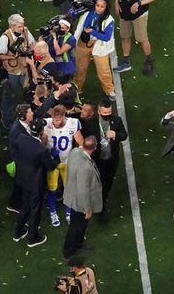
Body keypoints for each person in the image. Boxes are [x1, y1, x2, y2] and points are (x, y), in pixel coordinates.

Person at [13, 118, 59, 247]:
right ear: (41, 132)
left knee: (25, 205)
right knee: (34, 209)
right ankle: (33, 238)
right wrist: (55, 157)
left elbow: (17, 153)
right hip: (35, 183)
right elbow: (50, 166)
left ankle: (18, 232)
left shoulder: (21, 138)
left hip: (22, 178)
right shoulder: (41, 149)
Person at [80, 97, 128, 221]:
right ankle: (98, 206)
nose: (107, 115)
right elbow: (84, 139)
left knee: (108, 181)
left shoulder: (116, 120)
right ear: (99, 112)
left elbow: (124, 135)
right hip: (97, 159)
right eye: (104, 113)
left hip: (112, 158)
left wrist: (116, 135)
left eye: (109, 113)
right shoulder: (90, 123)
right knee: (97, 182)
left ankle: (102, 201)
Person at [114, 0, 157, 74]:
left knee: (142, 38)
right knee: (125, 36)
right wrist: (117, 1)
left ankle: (148, 60)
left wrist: (139, 3)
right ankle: (126, 61)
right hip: (125, 10)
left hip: (139, 14)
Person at [62, 135, 103, 261]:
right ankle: (68, 252)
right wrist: (87, 209)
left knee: (79, 226)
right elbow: (83, 190)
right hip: (79, 202)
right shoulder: (86, 167)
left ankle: (78, 244)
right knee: (76, 227)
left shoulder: (75, 152)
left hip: (72, 195)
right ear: (94, 148)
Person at [43, 104, 85, 226]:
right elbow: (42, 143)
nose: (55, 122)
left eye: (58, 119)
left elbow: (80, 142)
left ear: (64, 116)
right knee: (52, 189)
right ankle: (53, 212)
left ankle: (68, 212)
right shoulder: (47, 124)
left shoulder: (73, 123)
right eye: (54, 119)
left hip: (67, 162)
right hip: (53, 163)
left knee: (69, 189)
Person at [73, 0, 116, 98]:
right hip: (84, 42)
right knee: (80, 67)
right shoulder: (87, 12)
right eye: (97, 5)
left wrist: (93, 31)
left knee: (103, 69)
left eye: (102, 6)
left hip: (99, 45)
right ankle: (77, 88)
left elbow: (106, 37)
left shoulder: (109, 20)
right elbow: (75, 18)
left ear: (106, 7)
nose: (99, 8)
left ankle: (109, 89)